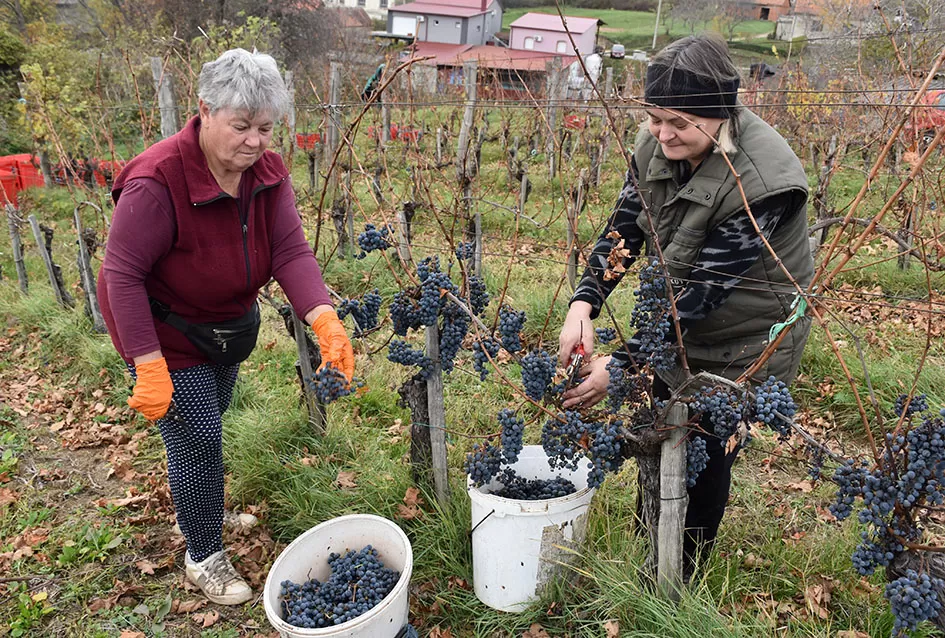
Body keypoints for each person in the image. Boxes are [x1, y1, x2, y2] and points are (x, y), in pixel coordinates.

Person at [97, 49, 354, 605]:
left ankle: (204, 508)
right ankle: (203, 553)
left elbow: (289, 251)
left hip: (225, 329)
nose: (256, 141)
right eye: (242, 127)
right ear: (205, 111)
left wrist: (322, 315)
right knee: (199, 438)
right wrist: (146, 361)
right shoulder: (156, 182)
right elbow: (120, 277)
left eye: (265, 128)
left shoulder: (266, 174)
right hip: (164, 332)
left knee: (208, 427)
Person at [557, 35, 813, 574]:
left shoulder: (764, 181)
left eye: (678, 121)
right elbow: (624, 229)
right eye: (654, 117)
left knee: (704, 446)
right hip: (679, 322)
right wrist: (585, 302)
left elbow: (701, 295)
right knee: (663, 430)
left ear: (721, 111)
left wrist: (622, 366)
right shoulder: (656, 145)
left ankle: (681, 577)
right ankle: (652, 543)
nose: (662, 132)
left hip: (746, 340)